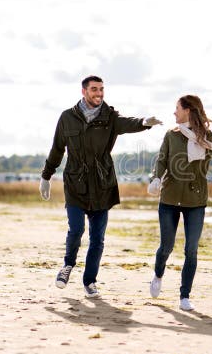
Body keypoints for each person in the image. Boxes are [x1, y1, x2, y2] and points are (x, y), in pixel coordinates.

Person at [40, 75, 162, 298]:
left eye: (102, 89)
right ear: (84, 91)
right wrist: (46, 176)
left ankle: (90, 281)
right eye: (95, 89)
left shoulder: (109, 116)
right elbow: (57, 148)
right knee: (76, 230)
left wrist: (144, 123)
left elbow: (127, 122)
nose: (99, 93)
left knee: (98, 239)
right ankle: (67, 266)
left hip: (102, 183)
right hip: (76, 183)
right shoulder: (67, 118)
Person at [148, 95, 212, 311]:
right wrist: (155, 178)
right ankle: (158, 275)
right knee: (166, 246)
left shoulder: (206, 136)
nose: (174, 112)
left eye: (177, 108)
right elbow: (161, 160)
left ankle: (184, 296)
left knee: (191, 249)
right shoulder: (171, 135)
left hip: (196, 200)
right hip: (170, 198)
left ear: (188, 111)